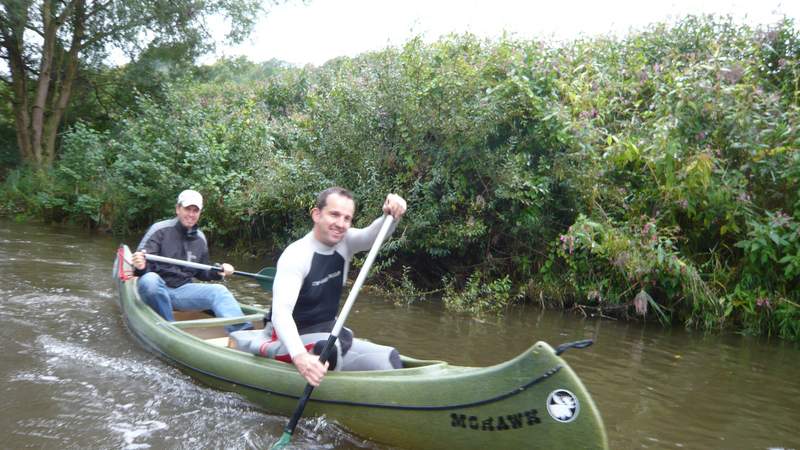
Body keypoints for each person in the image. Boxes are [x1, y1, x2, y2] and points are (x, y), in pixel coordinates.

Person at [253, 187, 406, 386]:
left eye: (347, 218)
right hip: (289, 339)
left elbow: (373, 235)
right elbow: (281, 314)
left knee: (391, 359)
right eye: (334, 214)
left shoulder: (346, 242)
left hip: (329, 332)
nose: (340, 224)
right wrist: (300, 357)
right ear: (316, 215)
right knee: (329, 351)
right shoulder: (296, 255)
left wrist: (391, 216)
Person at [131, 189, 252, 334]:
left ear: (200, 213)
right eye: (187, 209)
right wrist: (141, 266)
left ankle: (243, 333)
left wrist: (218, 271)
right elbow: (139, 269)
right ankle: (172, 329)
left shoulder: (200, 239)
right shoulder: (159, 230)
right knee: (150, 280)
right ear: (178, 209)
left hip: (181, 291)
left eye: (195, 210)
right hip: (155, 288)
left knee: (219, 291)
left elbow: (202, 272)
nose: (191, 214)